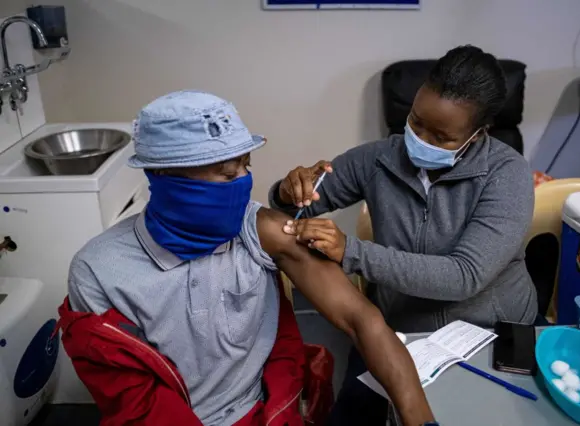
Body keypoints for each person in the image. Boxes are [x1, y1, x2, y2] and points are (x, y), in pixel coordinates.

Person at [62, 91, 435, 426]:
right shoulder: (99, 272)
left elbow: (361, 319)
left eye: (246, 167)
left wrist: (421, 419)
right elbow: (138, 405)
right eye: (227, 174)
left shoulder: (259, 230)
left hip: (263, 412)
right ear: (162, 173)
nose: (243, 183)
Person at [269, 45, 537, 425]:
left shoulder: (507, 175)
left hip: (486, 332)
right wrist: (287, 190)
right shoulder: (378, 159)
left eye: (441, 137)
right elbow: (296, 208)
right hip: (396, 328)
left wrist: (350, 252)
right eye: (416, 121)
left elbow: (464, 276)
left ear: (478, 134)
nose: (422, 140)